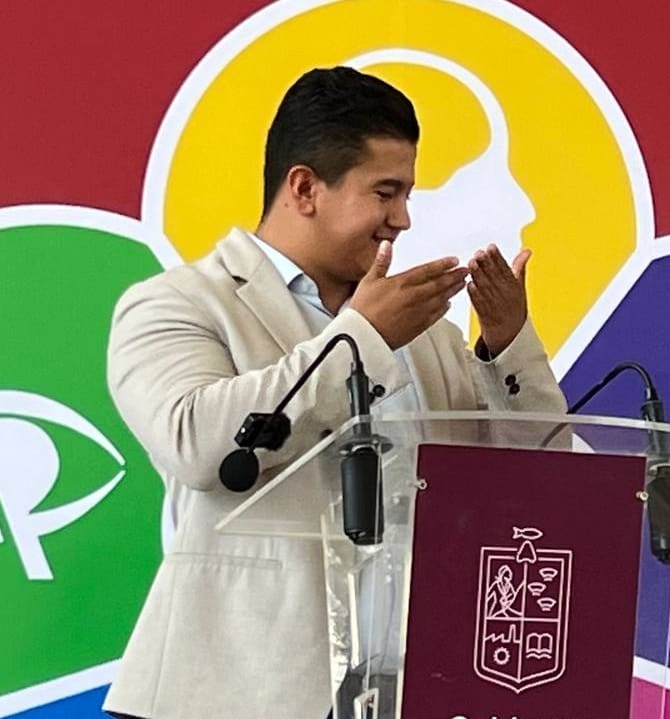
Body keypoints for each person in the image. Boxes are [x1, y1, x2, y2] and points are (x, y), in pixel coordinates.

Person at [101, 67, 566, 719]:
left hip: (416, 690)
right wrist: (364, 338)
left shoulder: (425, 333)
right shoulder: (179, 303)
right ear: (304, 189)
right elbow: (197, 445)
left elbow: (543, 485)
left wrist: (507, 344)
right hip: (241, 695)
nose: (402, 218)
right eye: (386, 192)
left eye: (407, 194)